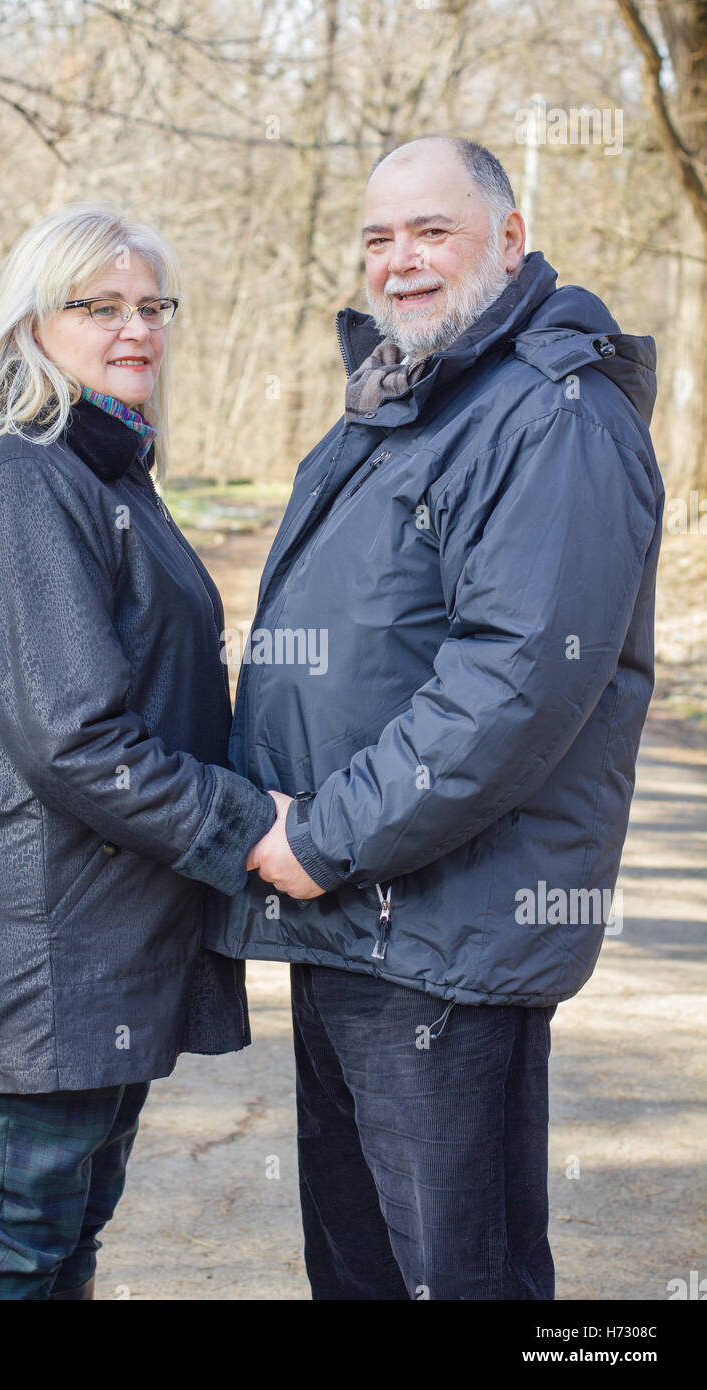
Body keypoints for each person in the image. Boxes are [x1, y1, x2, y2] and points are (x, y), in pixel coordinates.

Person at [207, 136, 663, 1300]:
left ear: (509, 240)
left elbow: (512, 682)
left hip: (442, 936)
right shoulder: (407, 397)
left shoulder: (548, 415)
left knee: (456, 1279)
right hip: (355, 918)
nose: (398, 262)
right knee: (357, 1270)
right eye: (376, 238)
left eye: (430, 232)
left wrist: (319, 839)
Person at [0, 203, 276, 1300]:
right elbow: (75, 736)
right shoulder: (23, 483)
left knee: (63, 1244)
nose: (136, 328)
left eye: (151, 305)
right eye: (99, 305)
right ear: (32, 325)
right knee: (11, 1258)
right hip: (44, 952)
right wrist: (249, 827)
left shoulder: (109, 476)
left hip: (105, 936)